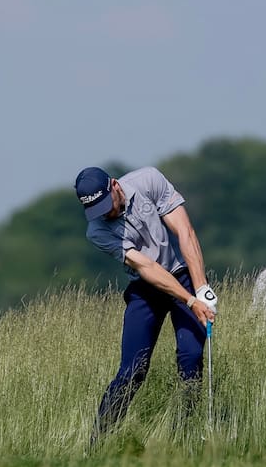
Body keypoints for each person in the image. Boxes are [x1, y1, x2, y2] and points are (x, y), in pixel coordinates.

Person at [74, 166, 218, 444]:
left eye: (107, 204)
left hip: (183, 274)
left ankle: (184, 435)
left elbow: (184, 232)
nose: (106, 214)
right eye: (97, 211)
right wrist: (189, 301)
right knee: (133, 369)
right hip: (146, 286)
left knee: (190, 358)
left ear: (114, 185)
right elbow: (147, 266)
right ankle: (97, 444)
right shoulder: (96, 232)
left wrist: (200, 288)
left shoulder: (148, 180)